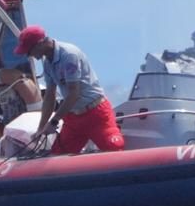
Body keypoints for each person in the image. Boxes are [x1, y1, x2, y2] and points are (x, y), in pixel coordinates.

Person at [14, 24, 125, 155]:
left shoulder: (69, 55)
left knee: (114, 148)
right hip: (73, 118)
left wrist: (54, 122)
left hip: (95, 114)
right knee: (57, 156)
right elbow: (50, 96)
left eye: (29, 51)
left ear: (40, 44)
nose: (28, 55)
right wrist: (41, 128)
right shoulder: (47, 63)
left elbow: (74, 93)